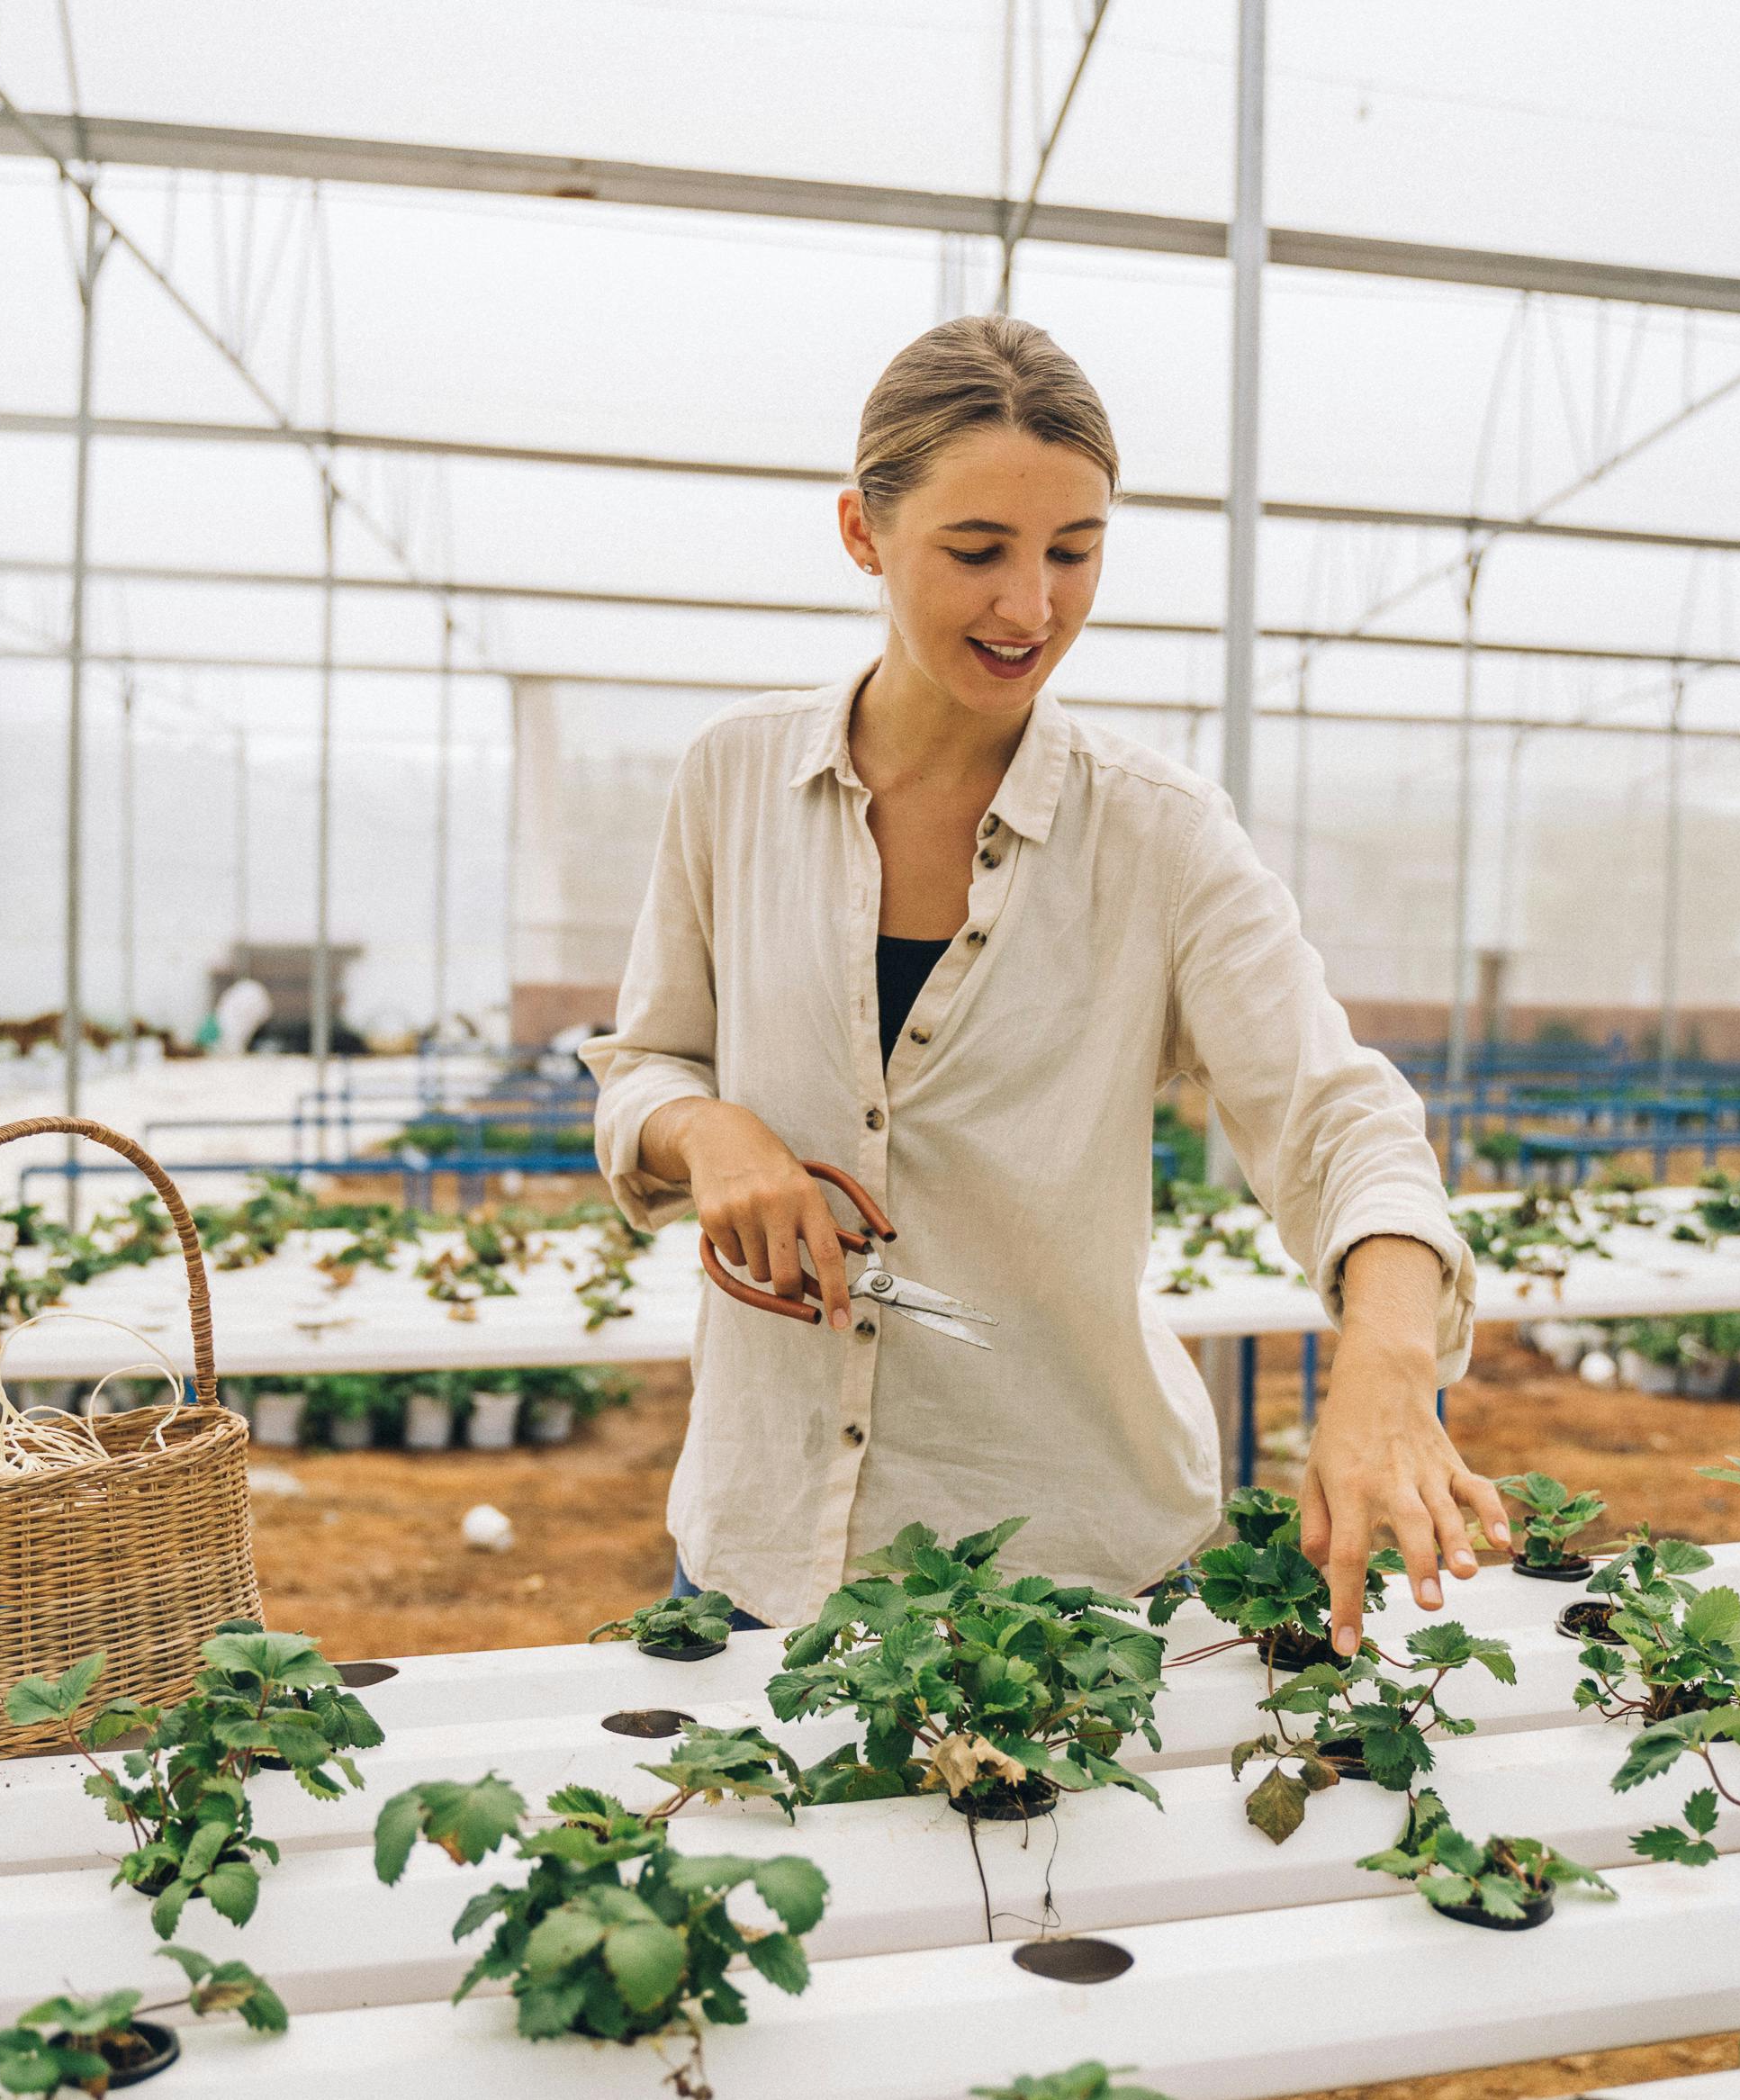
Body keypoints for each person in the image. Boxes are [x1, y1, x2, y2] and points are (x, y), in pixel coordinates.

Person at [581, 315, 1498, 1654]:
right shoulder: (732, 781)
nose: (1033, 608)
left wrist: (1389, 1358)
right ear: (862, 531)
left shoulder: (1161, 836)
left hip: (1072, 1575)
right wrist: (705, 1130)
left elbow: (1341, 1117)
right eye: (978, 553)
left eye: (1076, 552)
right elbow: (647, 1061)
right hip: (760, 1554)